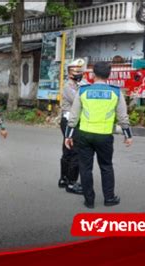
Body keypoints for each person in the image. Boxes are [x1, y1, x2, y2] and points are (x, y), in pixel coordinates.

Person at [64, 61, 133, 209]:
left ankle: (89, 201)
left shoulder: (83, 91)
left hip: (85, 135)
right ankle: (109, 198)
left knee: (85, 168)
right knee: (106, 167)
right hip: (104, 136)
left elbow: (74, 116)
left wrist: (68, 135)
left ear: (93, 74)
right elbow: (123, 117)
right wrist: (128, 135)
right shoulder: (115, 92)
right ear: (109, 75)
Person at [58, 58, 86, 195]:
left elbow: (89, 91)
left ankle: (64, 178)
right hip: (69, 120)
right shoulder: (68, 86)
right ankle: (71, 182)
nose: (79, 73)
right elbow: (79, 101)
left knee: (68, 149)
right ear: (69, 73)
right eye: (76, 71)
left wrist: (82, 83)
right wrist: (82, 86)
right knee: (74, 150)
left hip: (76, 120)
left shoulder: (82, 83)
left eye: (80, 70)